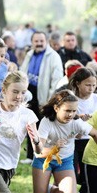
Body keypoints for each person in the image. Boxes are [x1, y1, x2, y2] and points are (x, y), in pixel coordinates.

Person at [20, 31, 63, 164]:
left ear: (46, 42)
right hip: (29, 93)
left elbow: (56, 79)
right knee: (29, 123)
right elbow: (22, 72)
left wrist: (50, 99)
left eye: (41, 41)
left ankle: (41, 154)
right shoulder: (29, 54)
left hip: (44, 95)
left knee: (41, 126)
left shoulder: (53, 56)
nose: (38, 43)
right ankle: (30, 155)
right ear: (32, 42)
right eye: (36, 41)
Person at [67, 68, 97, 193]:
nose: (91, 88)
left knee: (90, 174)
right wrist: (77, 118)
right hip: (73, 141)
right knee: (72, 173)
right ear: (77, 83)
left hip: (91, 140)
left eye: (94, 85)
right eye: (88, 85)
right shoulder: (71, 98)